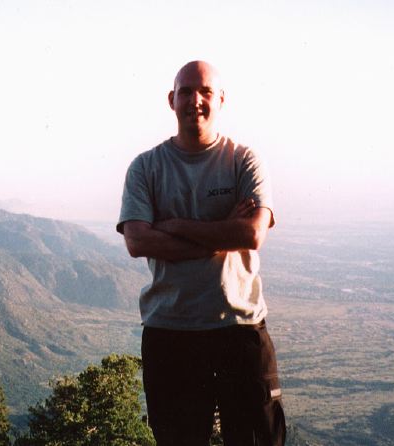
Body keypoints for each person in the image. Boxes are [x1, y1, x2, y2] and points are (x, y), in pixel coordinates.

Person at [117, 60, 286, 446]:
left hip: (239, 330)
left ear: (221, 100)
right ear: (171, 99)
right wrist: (223, 229)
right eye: (187, 91)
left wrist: (174, 226)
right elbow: (138, 242)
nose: (196, 100)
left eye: (206, 91)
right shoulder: (146, 168)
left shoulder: (244, 161)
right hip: (170, 333)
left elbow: (253, 233)